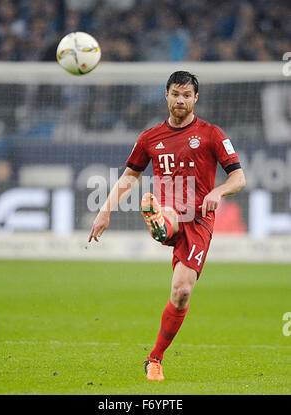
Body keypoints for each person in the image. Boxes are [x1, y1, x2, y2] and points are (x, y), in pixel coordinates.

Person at [88, 71, 246, 381]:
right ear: (166, 95)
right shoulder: (149, 138)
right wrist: (104, 211)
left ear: (195, 98)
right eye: (176, 94)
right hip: (172, 208)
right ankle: (159, 221)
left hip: (200, 219)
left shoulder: (212, 134)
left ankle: (154, 359)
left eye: (187, 95)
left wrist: (218, 191)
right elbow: (128, 177)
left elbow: (239, 178)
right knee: (170, 213)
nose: (181, 100)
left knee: (182, 291)